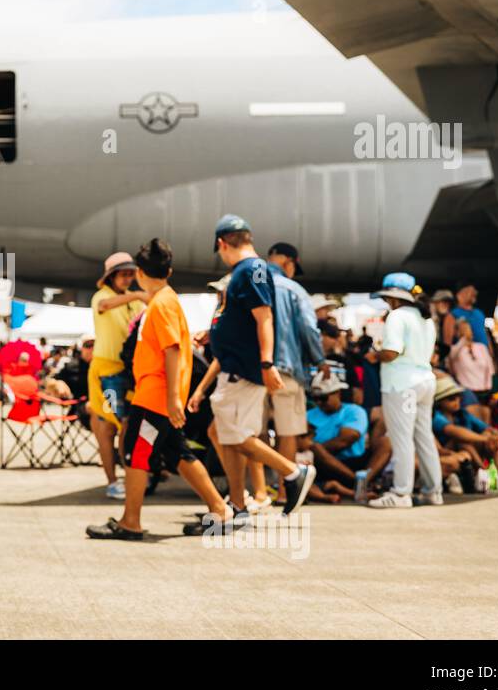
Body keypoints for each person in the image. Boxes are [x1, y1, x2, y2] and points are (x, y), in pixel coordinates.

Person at [87, 239, 240, 539]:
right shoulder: (164, 300)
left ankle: (131, 521)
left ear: (141, 273)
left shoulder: (161, 304)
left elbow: (171, 349)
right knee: (178, 454)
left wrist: (171, 399)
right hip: (159, 394)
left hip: (155, 396)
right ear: (168, 271)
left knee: (135, 453)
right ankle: (220, 511)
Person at [188, 215, 317, 519]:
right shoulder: (246, 272)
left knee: (233, 435)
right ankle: (237, 505)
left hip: (242, 370)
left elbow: (265, 317)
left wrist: (267, 362)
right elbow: (250, 319)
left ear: (222, 243)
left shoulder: (253, 269)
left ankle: (292, 472)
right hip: (236, 367)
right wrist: (216, 334)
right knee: (224, 433)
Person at [368, 273, 442, 508]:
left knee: (402, 439)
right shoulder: (425, 318)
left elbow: (391, 352)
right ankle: (433, 491)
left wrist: (374, 355)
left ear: (392, 297)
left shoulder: (397, 316)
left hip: (402, 383)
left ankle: (401, 493)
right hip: (425, 380)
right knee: (424, 438)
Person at [89, 251, 147, 499]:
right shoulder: (102, 296)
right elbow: (104, 306)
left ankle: (127, 475)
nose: (127, 279)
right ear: (111, 276)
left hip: (130, 371)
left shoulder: (135, 302)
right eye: (123, 274)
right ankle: (113, 481)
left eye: (130, 275)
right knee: (108, 427)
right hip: (106, 371)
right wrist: (138, 294)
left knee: (127, 426)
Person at [262, 241, 325, 468]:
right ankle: (285, 489)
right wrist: (320, 360)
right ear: (289, 263)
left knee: (255, 433)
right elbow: (309, 329)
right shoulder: (293, 289)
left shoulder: (252, 281)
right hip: (287, 370)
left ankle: (260, 490)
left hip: (254, 369)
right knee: (287, 431)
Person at [304, 370, 391, 500]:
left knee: (386, 442)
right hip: (324, 465)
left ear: (337, 393)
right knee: (315, 449)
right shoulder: (309, 414)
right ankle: (359, 483)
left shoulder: (354, 411)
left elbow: (346, 439)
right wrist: (318, 449)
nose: (319, 403)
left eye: (323, 398)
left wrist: (319, 447)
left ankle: (363, 480)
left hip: (355, 461)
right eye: (316, 399)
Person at [432, 376, 498, 490]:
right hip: (447, 450)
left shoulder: (463, 413)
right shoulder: (436, 416)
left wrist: (494, 435)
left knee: (490, 437)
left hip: (469, 450)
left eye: (459, 397)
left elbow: (486, 428)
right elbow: (454, 431)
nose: (457, 401)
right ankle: (484, 473)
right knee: (463, 440)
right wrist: (484, 439)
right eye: (451, 398)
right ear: (440, 401)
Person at [447, 318, 495, 423]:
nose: (466, 331)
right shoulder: (455, 349)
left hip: (484, 391)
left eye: (468, 329)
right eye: (462, 329)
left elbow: (490, 370)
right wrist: (463, 340)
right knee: (476, 419)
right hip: (467, 391)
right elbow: (451, 357)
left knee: (486, 415)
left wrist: (489, 390)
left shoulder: (481, 347)